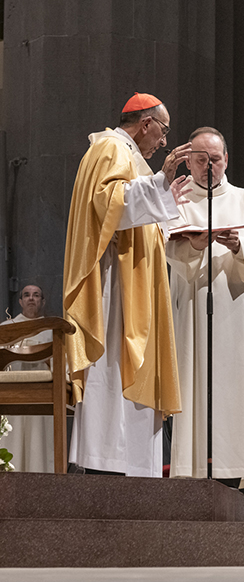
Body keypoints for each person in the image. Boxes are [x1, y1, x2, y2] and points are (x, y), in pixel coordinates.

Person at [65, 92, 192, 476]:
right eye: (163, 131)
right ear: (146, 123)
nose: (164, 141)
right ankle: (108, 463)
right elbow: (109, 206)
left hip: (133, 281)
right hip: (115, 287)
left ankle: (129, 466)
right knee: (115, 368)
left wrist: (167, 206)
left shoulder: (126, 154)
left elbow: (139, 215)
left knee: (130, 368)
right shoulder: (111, 148)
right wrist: (160, 182)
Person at [165, 127, 244, 488]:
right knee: (193, 384)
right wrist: (195, 245)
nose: (208, 166)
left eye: (214, 159)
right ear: (189, 160)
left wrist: (239, 244)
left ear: (226, 159)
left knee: (233, 390)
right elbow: (167, 246)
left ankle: (230, 470)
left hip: (234, 308)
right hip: (193, 306)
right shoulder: (177, 198)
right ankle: (191, 471)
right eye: (200, 159)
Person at [0, 284, 54, 472]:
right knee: (12, 439)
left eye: (36, 295)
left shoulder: (53, 329)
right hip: (12, 394)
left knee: (39, 441)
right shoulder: (6, 328)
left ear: (43, 301)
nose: (31, 298)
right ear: (20, 301)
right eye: (27, 295)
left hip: (44, 395)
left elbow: (63, 364)